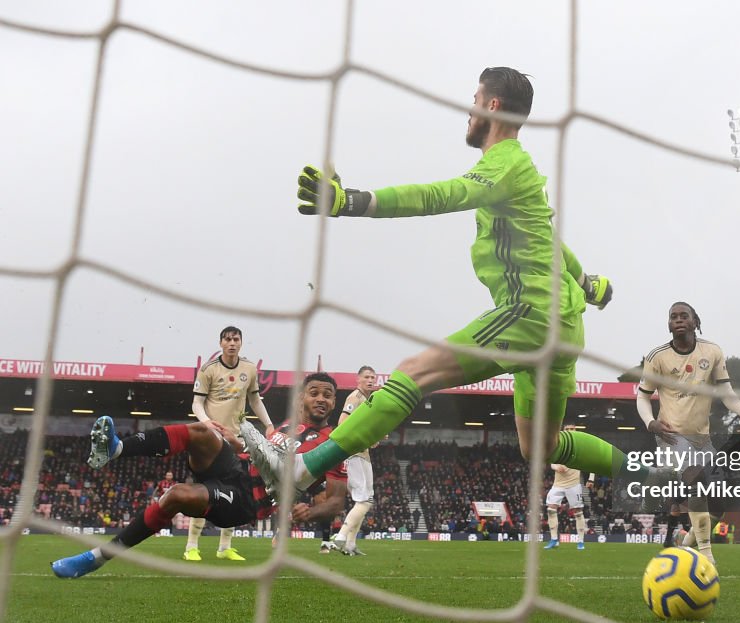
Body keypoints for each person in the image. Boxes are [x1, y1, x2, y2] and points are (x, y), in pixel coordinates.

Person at [239, 67, 650, 500]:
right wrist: (586, 284)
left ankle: (303, 469)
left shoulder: (506, 162)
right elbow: (550, 240)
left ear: (490, 105)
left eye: (474, 99)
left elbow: (442, 195)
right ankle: (650, 473)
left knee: (413, 374)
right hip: (563, 326)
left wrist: (351, 202)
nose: (467, 110)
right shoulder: (519, 170)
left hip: (529, 314)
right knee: (541, 448)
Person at [52, 373, 347, 579]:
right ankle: (115, 450)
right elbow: (264, 457)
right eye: (315, 392)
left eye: (328, 395)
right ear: (301, 399)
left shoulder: (333, 443)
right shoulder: (285, 427)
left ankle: (96, 558)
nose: (321, 399)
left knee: (178, 494)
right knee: (202, 431)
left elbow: (335, 502)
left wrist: (309, 512)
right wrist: (236, 443)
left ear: (334, 403)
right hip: (236, 467)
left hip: (246, 501)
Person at [636, 302, 740, 567]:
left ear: (694, 321)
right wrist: (650, 422)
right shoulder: (657, 357)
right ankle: (706, 555)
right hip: (671, 436)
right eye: (673, 317)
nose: (678, 320)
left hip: (703, 439)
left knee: (720, 504)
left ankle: (684, 544)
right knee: (696, 480)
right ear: (669, 324)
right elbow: (642, 398)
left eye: (683, 316)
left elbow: (726, 392)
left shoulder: (711, 352)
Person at [184, 326, 274, 562]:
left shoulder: (249, 369)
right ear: (221, 343)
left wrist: (269, 424)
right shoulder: (208, 370)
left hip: (237, 439)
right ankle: (191, 545)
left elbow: (255, 399)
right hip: (212, 440)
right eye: (227, 339)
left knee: (237, 492)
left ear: (241, 343)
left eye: (236, 339)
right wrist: (207, 423)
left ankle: (225, 547)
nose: (232, 343)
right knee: (204, 491)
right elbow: (196, 404)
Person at [331, 366, 379, 557]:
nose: (370, 380)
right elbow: (343, 423)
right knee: (364, 501)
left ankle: (351, 544)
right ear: (357, 379)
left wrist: (373, 438)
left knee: (368, 498)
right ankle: (341, 537)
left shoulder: (368, 400)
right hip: (353, 453)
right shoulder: (355, 398)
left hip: (364, 453)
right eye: (367, 377)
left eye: (373, 377)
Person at [544, 426, 593, 551]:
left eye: (572, 428)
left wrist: (591, 478)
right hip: (558, 484)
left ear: (575, 430)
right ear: (564, 429)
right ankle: (554, 539)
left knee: (578, 512)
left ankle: (580, 541)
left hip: (573, 485)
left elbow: (592, 463)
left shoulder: (580, 447)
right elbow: (551, 460)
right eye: (568, 428)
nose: (570, 429)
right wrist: (556, 467)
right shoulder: (558, 444)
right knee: (550, 509)